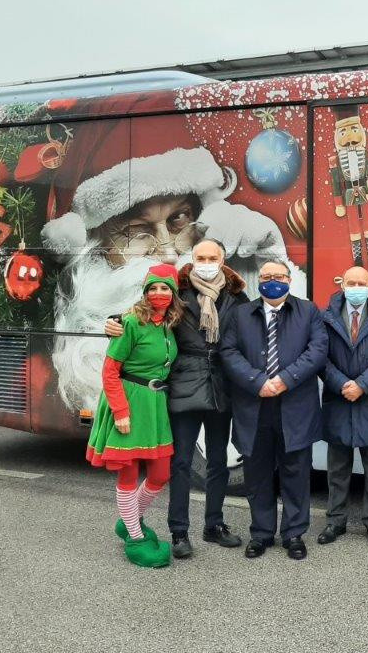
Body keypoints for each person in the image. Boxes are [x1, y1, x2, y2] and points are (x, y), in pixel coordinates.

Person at [27, 106, 306, 414]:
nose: (169, 252)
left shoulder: (216, 296)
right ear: (95, 246)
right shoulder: (107, 333)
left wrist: (260, 275)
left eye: (179, 220)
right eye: (138, 231)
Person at [103, 238, 248, 559]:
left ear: (223, 260)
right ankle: (179, 531)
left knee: (218, 461)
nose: (206, 263)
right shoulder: (176, 293)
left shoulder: (237, 297)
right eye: (200, 257)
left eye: (212, 257)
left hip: (221, 386)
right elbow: (142, 314)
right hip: (183, 385)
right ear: (192, 259)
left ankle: (214, 525)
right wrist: (112, 321)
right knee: (180, 463)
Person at [220, 261, 327, 561]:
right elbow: (228, 352)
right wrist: (258, 382)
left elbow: (318, 350)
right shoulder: (241, 314)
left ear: (289, 280)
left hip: (295, 406)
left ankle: (294, 534)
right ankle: (261, 533)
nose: (272, 281)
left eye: (278, 276)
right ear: (259, 281)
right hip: (254, 406)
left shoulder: (308, 311)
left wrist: (285, 380)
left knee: (296, 473)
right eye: (266, 277)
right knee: (257, 474)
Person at [85, 263, 182, 568]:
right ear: (145, 291)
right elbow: (110, 372)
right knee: (128, 472)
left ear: (174, 293)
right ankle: (136, 539)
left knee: (160, 473)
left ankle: (129, 521)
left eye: (165, 288)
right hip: (129, 400)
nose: (158, 293)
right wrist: (120, 411)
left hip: (155, 404)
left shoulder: (170, 324)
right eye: (152, 288)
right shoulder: (129, 323)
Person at [318, 266, 368, 547]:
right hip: (339, 398)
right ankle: (335, 521)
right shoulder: (326, 316)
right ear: (342, 285)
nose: (356, 288)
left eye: (361, 283)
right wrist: (343, 384)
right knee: (337, 468)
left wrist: (362, 385)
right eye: (351, 283)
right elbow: (320, 356)